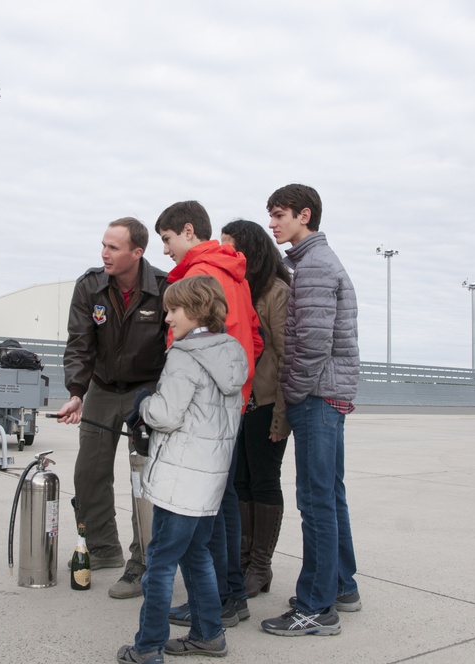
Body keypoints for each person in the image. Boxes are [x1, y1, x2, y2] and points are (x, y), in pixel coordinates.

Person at [117, 275, 247, 664]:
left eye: (173, 310)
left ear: (196, 309)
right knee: (197, 555)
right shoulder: (231, 352)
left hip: (180, 480)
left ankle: (148, 646)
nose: (167, 318)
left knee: (158, 563)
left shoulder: (184, 355)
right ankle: (208, 634)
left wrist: (143, 404)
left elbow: (166, 415)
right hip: (208, 482)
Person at [155, 200, 263, 627]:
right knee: (224, 500)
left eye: (166, 240)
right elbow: (252, 337)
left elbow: (187, 349)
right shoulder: (234, 273)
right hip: (228, 405)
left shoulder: (200, 275)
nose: (164, 250)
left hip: (200, 411)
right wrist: (236, 389)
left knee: (207, 509)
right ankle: (229, 595)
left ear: (187, 230)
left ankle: (218, 600)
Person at [260, 183, 361, 637]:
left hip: (317, 396)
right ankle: (341, 585)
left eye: (279, 214)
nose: (272, 223)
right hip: (326, 395)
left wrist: (294, 392)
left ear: (305, 216)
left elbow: (314, 344)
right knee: (330, 496)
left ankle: (317, 606)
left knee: (316, 501)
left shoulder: (316, 266)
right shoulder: (312, 263)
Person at [57, 217, 169, 599]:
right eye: (103, 245)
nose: (104, 253)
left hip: (147, 389)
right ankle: (104, 549)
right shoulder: (90, 286)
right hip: (102, 388)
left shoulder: (165, 288)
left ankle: (144, 560)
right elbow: (79, 342)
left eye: (114, 247)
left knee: (144, 479)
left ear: (137, 253)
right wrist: (76, 391)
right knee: (89, 473)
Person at [220, 219, 292, 598]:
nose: (224, 252)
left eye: (230, 246)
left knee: (264, 480)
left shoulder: (276, 291)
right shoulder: (239, 289)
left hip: (266, 404)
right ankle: (245, 560)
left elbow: (285, 357)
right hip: (241, 405)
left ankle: (260, 566)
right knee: (239, 481)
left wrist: (281, 415)